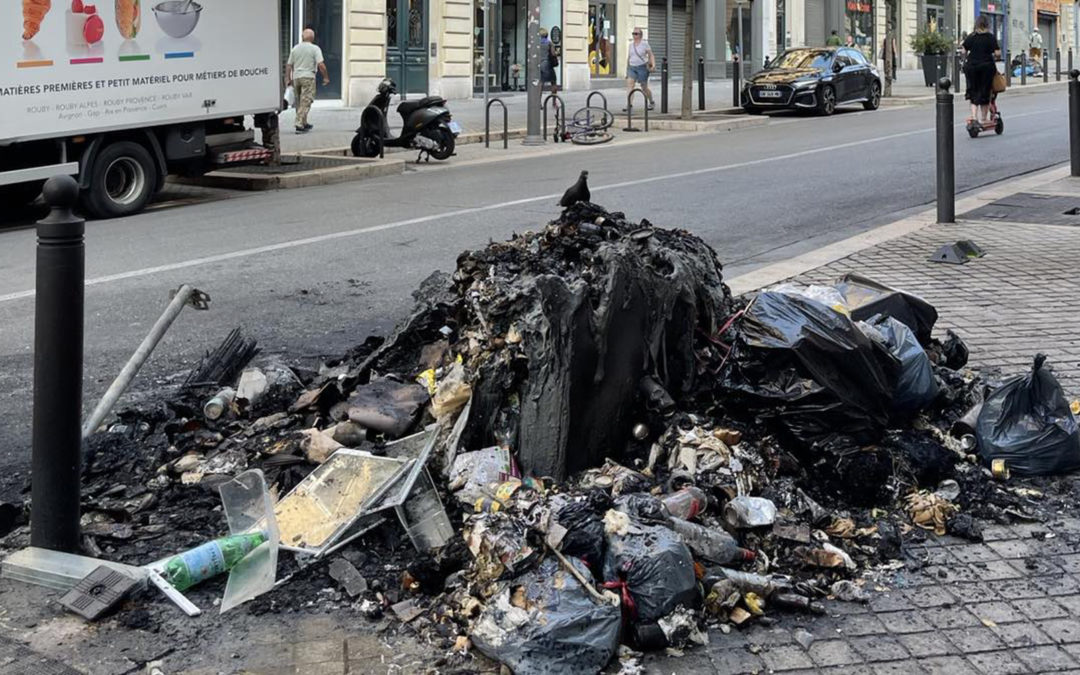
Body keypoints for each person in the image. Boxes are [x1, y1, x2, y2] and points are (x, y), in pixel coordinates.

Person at [285, 28, 330, 134]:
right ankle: (299, 124)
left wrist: (288, 78)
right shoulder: (315, 49)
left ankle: (304, 122)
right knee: (306, 100)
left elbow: (289, 65)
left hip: (296, 78)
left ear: (302, 37)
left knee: (299, 101)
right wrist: (326, 77)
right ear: (313, 38)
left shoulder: (295, 48)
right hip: (308, 77)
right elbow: (321, 65)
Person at [962, 14, 1001, 125]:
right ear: (987, 24)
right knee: (985, 92)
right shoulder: (990, 37)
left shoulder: (971, 36)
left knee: (973, 92)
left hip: (972, 67)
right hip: (986, 67)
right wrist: (995, 57)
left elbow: (963, 51)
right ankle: (983, 119)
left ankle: (974, 117)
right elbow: (998, 53)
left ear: (977, 24)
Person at [625, 27, 655, 111]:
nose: (634, 35)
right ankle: (629, 105)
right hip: (632, 67)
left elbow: (651, 55)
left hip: (642, 67)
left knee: (644, 87)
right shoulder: (631, 45)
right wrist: (627, 69)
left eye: (636, 34)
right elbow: (629, 57)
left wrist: (653, 65)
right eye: (633, 33)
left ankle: (651, 101)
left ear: (640, 35)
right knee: (630, 85)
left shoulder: (645, 44)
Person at [539, 28, 559, 98]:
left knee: (541, 83)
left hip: (538, 64)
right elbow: (553, 54)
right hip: (547, 65)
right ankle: (554, 101)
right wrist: (557, 53)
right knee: (553, 82)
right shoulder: (549, 43)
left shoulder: (536, 43)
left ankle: (538, 102)